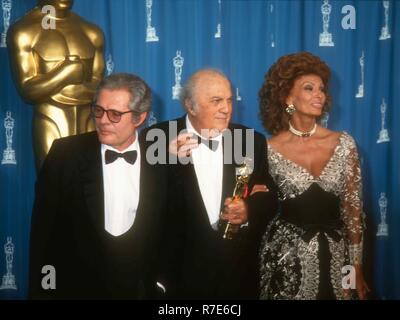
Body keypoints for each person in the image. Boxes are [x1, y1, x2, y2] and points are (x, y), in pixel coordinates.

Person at [29, 73, 167, 299]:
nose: (102, 120)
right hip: (78, 290)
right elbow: (44, 237)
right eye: (98, 110)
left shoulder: (161, 159)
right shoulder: (64, 156)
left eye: (114, 114)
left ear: (139, 117)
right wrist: (44, 291)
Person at [145, 69, 278, 299]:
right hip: (175, 279)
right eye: (216, 101)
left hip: (236, 276)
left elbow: (269, 196)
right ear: (190, 105)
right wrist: (166, 162)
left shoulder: (250, 141)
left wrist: (248, 210)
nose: (226, 109)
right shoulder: (156, 139)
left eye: (228, 100)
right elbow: (142, 199)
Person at [258, 52, 369, 300]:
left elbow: (353, 213)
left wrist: (355, 270)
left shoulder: (344, 143)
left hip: (338, 257)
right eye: (309, 88)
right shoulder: (268, 149)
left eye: (321, 89)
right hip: (286, 261)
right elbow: (259, 206)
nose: (319, 95)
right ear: (288, 97)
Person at [7, 0, 104, 170]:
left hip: (89, 122)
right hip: (50, 121)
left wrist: (55, 85)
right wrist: (65, 74)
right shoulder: (24, 32)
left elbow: (100, 88)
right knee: (52, 188)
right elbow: (27, 91)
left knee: (91, 188)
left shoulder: (91, 32)